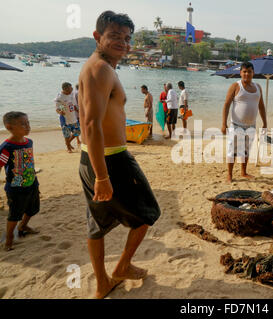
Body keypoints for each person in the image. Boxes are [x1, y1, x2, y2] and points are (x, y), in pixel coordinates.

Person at [77, 10, 161, 299]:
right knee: (149, 213)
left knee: (97, 223)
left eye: (127, 38)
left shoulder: (96, 67)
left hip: (92, 156)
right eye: (115, 36)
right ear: (98, 36)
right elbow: (91, 123)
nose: (123, 43)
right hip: (110, 159)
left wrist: (97, 170)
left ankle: (103, 282)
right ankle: (122, 265)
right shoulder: (100, 69)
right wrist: (102, 175)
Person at [221, 61, 268, 183]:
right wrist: (223, 123)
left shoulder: (258, 87)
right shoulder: (236, 86)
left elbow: (261, 106)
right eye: (244, 71)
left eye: (249, 72)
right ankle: (229, 175)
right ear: (240, 73)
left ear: (253, 73)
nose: (247, 74)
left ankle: (243, 172)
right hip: (236, 125)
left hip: (251, 126)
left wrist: (265, 123)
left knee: (246, 150)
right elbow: (226, 105)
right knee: (233, 151)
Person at [0, 112, 40, 251]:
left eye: (28, 122)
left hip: (32, 182)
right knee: (14, 214)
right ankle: (10, 237)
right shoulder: (7, 147)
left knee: (33, 208)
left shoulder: (29, 142)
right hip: (16, 188)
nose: (28, 126)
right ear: (9, 127)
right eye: (23, 124)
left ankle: (23, 226)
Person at [55, 82, 81, 152]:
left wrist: (79, 111)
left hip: (73, 117)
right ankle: (68, 148)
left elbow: (74, 105)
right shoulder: (60, 97)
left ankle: (68, 143)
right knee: (67, 134)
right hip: (65, 119)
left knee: (78, 131)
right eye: (70, 88)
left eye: (72, 87)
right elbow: (58, 109)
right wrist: (60, 111)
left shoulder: (71, 94)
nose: (72, 88)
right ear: (65, 89)